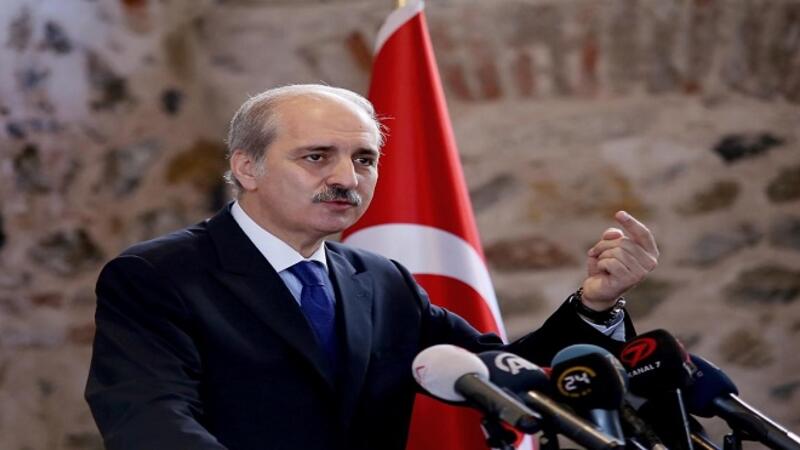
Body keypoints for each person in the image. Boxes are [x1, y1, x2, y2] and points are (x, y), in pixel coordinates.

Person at [85, 84, 660, 450]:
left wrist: (596, 305)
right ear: (247, 167)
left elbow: (507, 374)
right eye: (316, 157)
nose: (346, 178)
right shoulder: (157, 275)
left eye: (364, 159)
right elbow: (149, 420)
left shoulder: (382, 281)